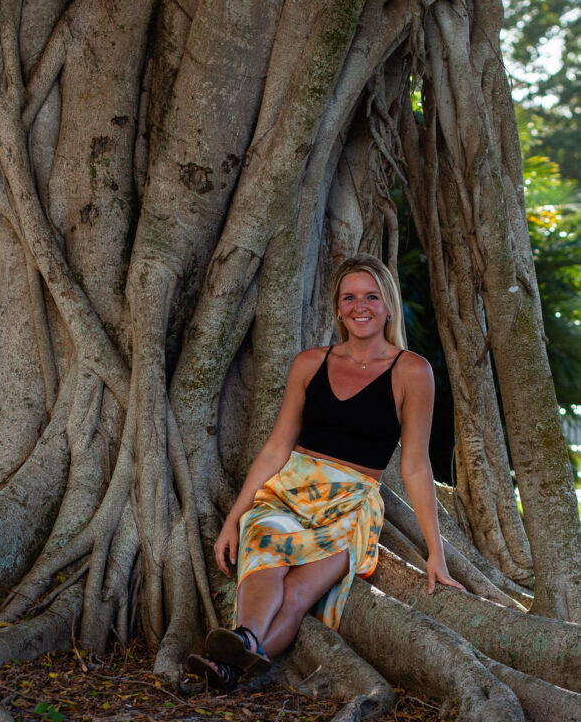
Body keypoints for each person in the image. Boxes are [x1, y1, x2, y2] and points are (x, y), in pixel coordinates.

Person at [188, 254, 464, 691]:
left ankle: (232, 664)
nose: (361, 306)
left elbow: (414, 464)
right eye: (350, 297)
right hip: (287, 493)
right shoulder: (310, 363)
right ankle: (243, 644)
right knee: (263, 560)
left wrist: (435, 551)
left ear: (387, 305)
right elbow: (277, 446)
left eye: (371, 297)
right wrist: (233, 520)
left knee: (298, 594)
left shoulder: (412, 371)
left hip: (351, 506)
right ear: (337, 308)